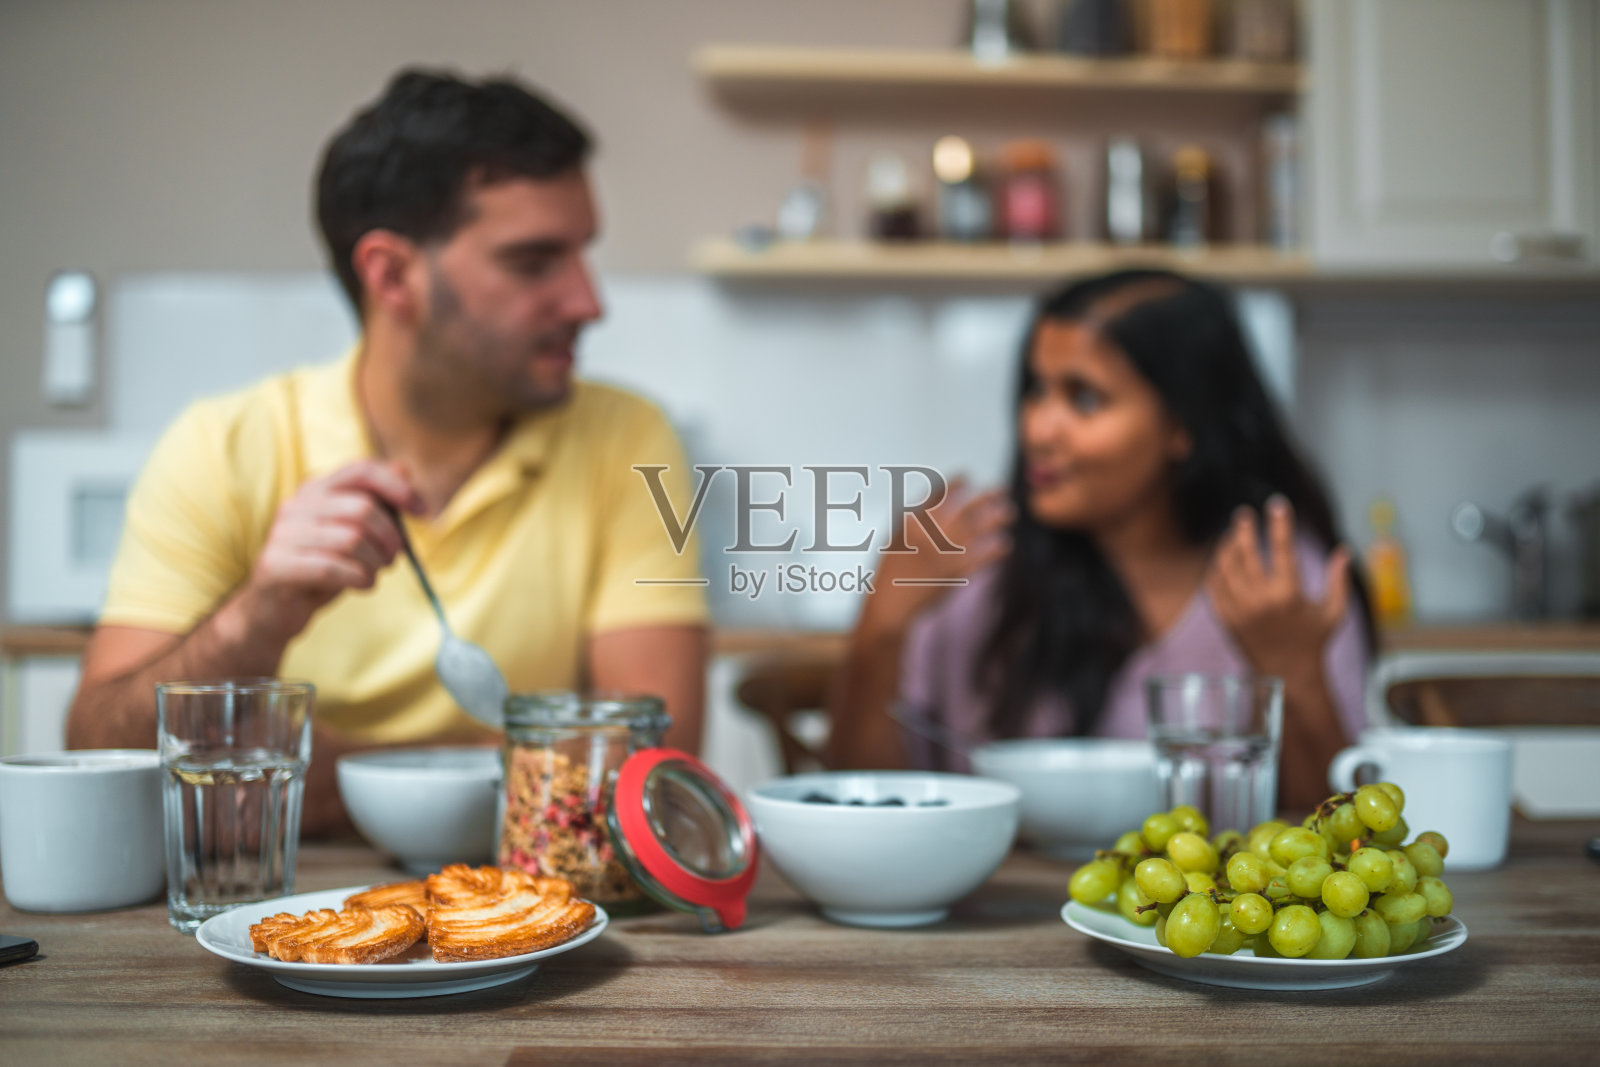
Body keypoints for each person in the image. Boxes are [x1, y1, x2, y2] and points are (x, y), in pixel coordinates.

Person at [65, 69, 709, 833]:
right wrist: (255, 619)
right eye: (535, 262)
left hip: (528, 907)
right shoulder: (224, 447)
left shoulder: (628, 440)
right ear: (392, 273)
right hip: (276, 910)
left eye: (582, 255)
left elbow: (645, 768)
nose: (587, 301)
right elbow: (101, 754)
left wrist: (286, 765)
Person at [827, 270, 1372, 809]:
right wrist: (880, 630)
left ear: (1185, 426)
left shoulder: (1283, 584)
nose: (1039, 429)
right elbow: (866, 805)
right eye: (1036, 392)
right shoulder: (976, 569)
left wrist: (1297, 674)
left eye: (1084, 399)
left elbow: (1340, 834)